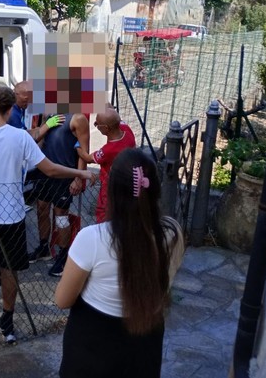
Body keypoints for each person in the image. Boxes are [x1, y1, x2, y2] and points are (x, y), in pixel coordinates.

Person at [0, 86, 96, 351]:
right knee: (10, 270)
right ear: (9, 110)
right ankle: (6, 322)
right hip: (14, 215)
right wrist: (83, 174)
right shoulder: (20, 138)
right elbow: (50, 170)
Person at [54, 148, 183, 378]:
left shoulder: (92, 239)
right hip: (145, 341)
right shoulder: (172, 233)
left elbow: (62, 300)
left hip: (94, 346)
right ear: (154, 189)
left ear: (112, 191)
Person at [27, 113, 90, 277]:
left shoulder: (78, 118)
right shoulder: (48, 113)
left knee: (60, 216)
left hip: (64, 175)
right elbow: (39, 139)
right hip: (44, 173)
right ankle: (43, 248)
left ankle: (63, 257)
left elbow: (84, 150)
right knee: (41, 209)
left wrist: (78, 177)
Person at [76, 107, 136, 223]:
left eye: (97, 124)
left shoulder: (108, 150)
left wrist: (78, 145)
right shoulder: (127, 131)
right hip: (127, 182)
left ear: (106, 128)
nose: (95, 125)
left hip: (110, 186)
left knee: (104, 213)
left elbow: (87, 158)